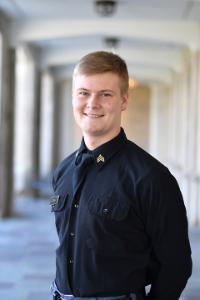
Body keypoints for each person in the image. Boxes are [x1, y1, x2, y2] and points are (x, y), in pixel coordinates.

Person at [50, 51, 192, 300]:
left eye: (105, 94)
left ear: (123, 100)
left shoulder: (152, 179)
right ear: (74, 97)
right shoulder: (64, 170)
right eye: (84, 93)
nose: (92, 103)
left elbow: (175, 266)